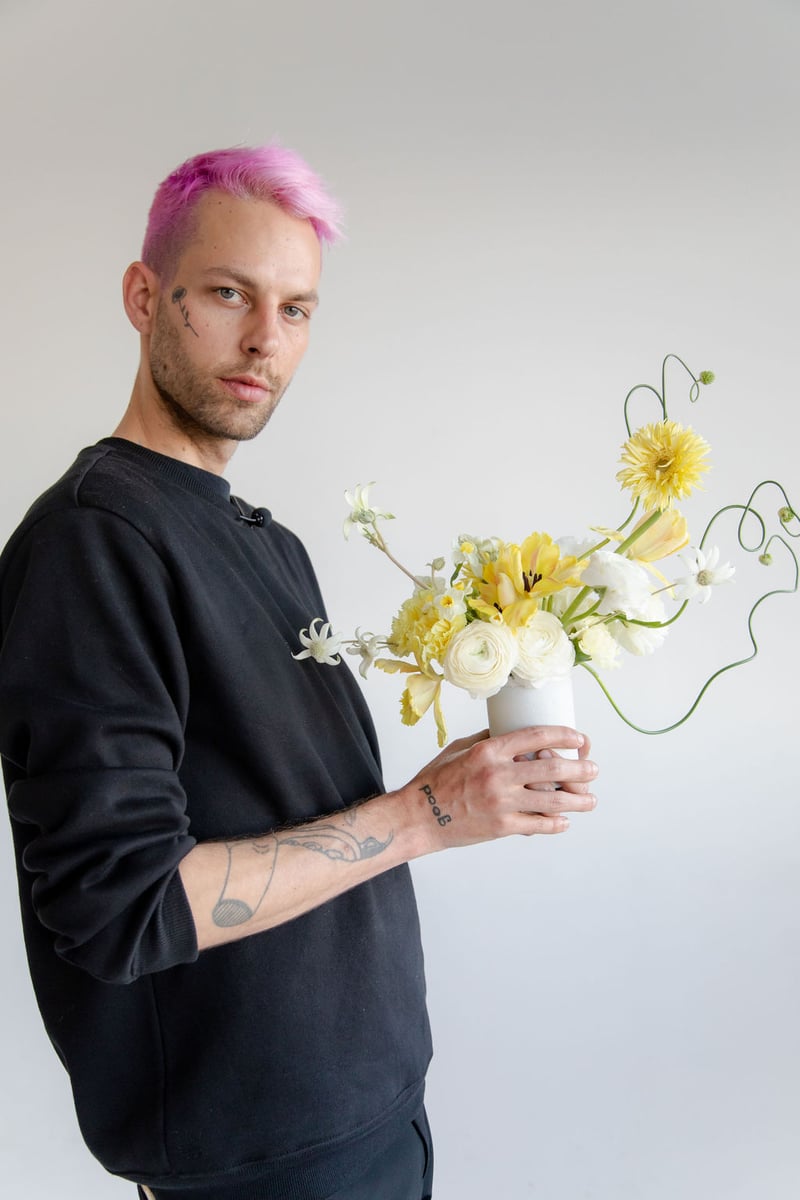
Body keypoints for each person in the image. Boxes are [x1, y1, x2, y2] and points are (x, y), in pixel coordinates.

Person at [0, 144, 599, 1200]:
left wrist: (458, 788)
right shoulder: (95, 542)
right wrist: (420, 816)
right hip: (259, 1168)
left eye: (297, 308)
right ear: (146, 296)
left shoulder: (262, 539)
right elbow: (122, 907)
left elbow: (290, 809)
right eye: (227, 294)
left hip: (370, 1119)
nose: (263, 340)